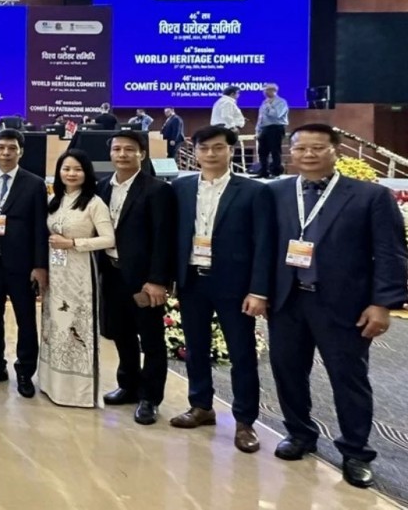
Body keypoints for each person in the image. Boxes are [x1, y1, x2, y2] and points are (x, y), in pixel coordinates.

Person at [267, 123, 408, 489]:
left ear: (336, 151)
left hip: (344, 305)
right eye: (301, 148)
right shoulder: (278, 192)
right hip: (287, 301)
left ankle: (356, 452)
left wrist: (383, 304)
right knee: (287, 372)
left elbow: (391, 254)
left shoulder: (369, 196)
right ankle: (300, 434)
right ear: (291, 152)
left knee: (349, 379)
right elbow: (264, 248)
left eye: (317, 148)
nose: (308, 155)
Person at [170, 126, 274, 453]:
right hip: (192, 280)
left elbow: (264, 245)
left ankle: (245, 421)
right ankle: (201, 406)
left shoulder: (254, 191)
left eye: (218, 148)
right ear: (195, 152)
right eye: (205, 149)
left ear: (231, 151)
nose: (211, 154)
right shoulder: (181, 187)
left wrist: (258, 290)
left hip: (234, 284)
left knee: (241, 353)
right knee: (196, 347)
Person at [96, 129, 176, 425]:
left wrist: (157, 280)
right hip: (112, 274)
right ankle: (128, 385)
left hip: (143, 279)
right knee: (121, 334)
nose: (122, 155)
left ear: (142, 153)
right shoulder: (102, 187)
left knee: (151, 339)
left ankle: (150, 397)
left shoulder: (157, 190)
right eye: (117, 149)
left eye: (129, 149)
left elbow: (162, 239)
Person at [0, 129, 48, 397]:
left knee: (26, 319)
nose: (6, 153)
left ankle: (25, 372)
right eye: (1, 147)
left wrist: (40, 266)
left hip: (22, 264)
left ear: (20, 152)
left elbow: (40, 227)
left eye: (11, 148)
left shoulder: (35, 183)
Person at [42, 150, 114, 408]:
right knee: (57, 324)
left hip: (80, 271)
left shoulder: (94, 202)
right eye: (66, 169)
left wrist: (73, 243)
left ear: (86, 174)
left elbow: (108, 239)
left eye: (77, 169)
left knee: (76, 326)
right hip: (56, 272)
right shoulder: (55, 199)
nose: (71, 174)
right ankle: (52, 384)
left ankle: (77, 392)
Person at [255, 83, 289, 179]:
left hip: (276, 127)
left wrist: (269, 105)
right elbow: (260, 117)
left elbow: (276, 115)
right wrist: (257, 130)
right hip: (264, 128)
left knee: (275, 150)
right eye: (264, 90)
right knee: (262, 151)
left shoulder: (281, 102)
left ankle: (275, 172)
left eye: (266, 90)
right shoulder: (264, 103)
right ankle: (263, 171)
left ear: (273, 91)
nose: (264, 92)